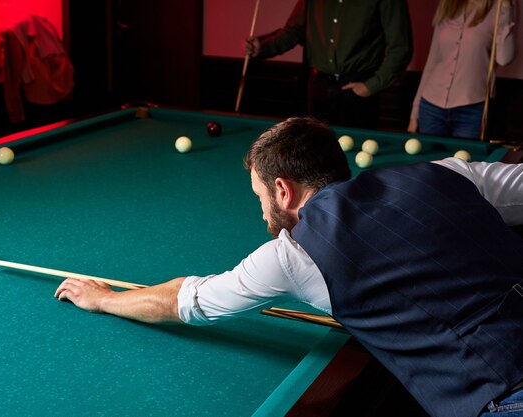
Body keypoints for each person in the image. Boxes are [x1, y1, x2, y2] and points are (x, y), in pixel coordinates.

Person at [55, 116, 523, 417]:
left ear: (283, 190)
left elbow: (187, 301)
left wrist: (106, 299)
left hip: (501, 397)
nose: (262, 212)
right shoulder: (450, 172)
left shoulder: (292, 256)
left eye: (260, 196)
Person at [243, 0, 413, 129]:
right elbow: (293, 31)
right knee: (315, 157)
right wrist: (263, 47)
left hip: (358, 90)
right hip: (319, 86)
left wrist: (371, 85)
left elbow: (401, 47)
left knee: (357, 158)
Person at [408, 0, 516, 139]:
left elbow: (504, 58)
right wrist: (415, 112)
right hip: (431, 108)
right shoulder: (448, 5)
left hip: (472, 110)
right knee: (429, 161)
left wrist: (507, 9)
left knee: (464, 161)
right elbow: (432, 61)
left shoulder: (500, 8)